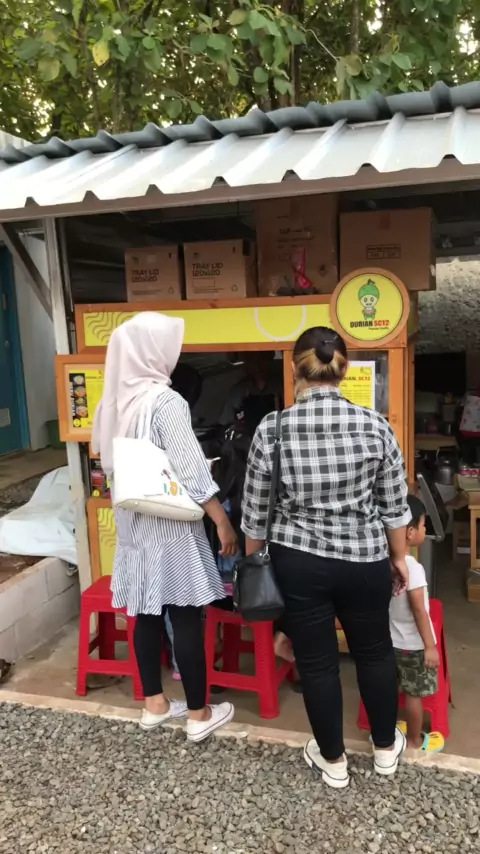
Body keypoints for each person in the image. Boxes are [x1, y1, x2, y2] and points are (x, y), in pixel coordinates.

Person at [241, 326, 411, 789]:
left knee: (316, 662)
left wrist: (254, 566)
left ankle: (333, 761)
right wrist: (398, 557)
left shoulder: (272, 428)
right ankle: (384, 750)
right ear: (344, 369)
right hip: (364, 559)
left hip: (299, 562)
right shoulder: (376, 426)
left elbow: (255, 515)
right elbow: (395, 506)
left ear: (295, 368)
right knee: (375, 652)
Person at [92, 312, 236, 742]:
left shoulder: (113, 402)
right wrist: (221, 520)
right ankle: (198, 713)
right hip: (169, 527)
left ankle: (154, 704)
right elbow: (191, 469)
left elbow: (105, 459)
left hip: (133, 526)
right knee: (187, 616)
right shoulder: (165, 401)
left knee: (146, 613)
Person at [389, 495, 444, 753]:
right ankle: (414, 741)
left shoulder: (384, 563)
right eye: (423, 525)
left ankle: (386, 735)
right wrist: (430, 647)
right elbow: (419, 610)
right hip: (413, 646)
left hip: (389, 642)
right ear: (410, 532)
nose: (425, 529)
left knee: (388, 689)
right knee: (413, 694)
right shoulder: (413, 568)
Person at [219, 351, 283, 434]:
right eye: (251, 359)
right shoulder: (238, 391)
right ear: (246, 362)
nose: (257, 365)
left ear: (270, 359)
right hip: (247, 439)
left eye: (261, 359)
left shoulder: (283, 387)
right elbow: (225, 424)